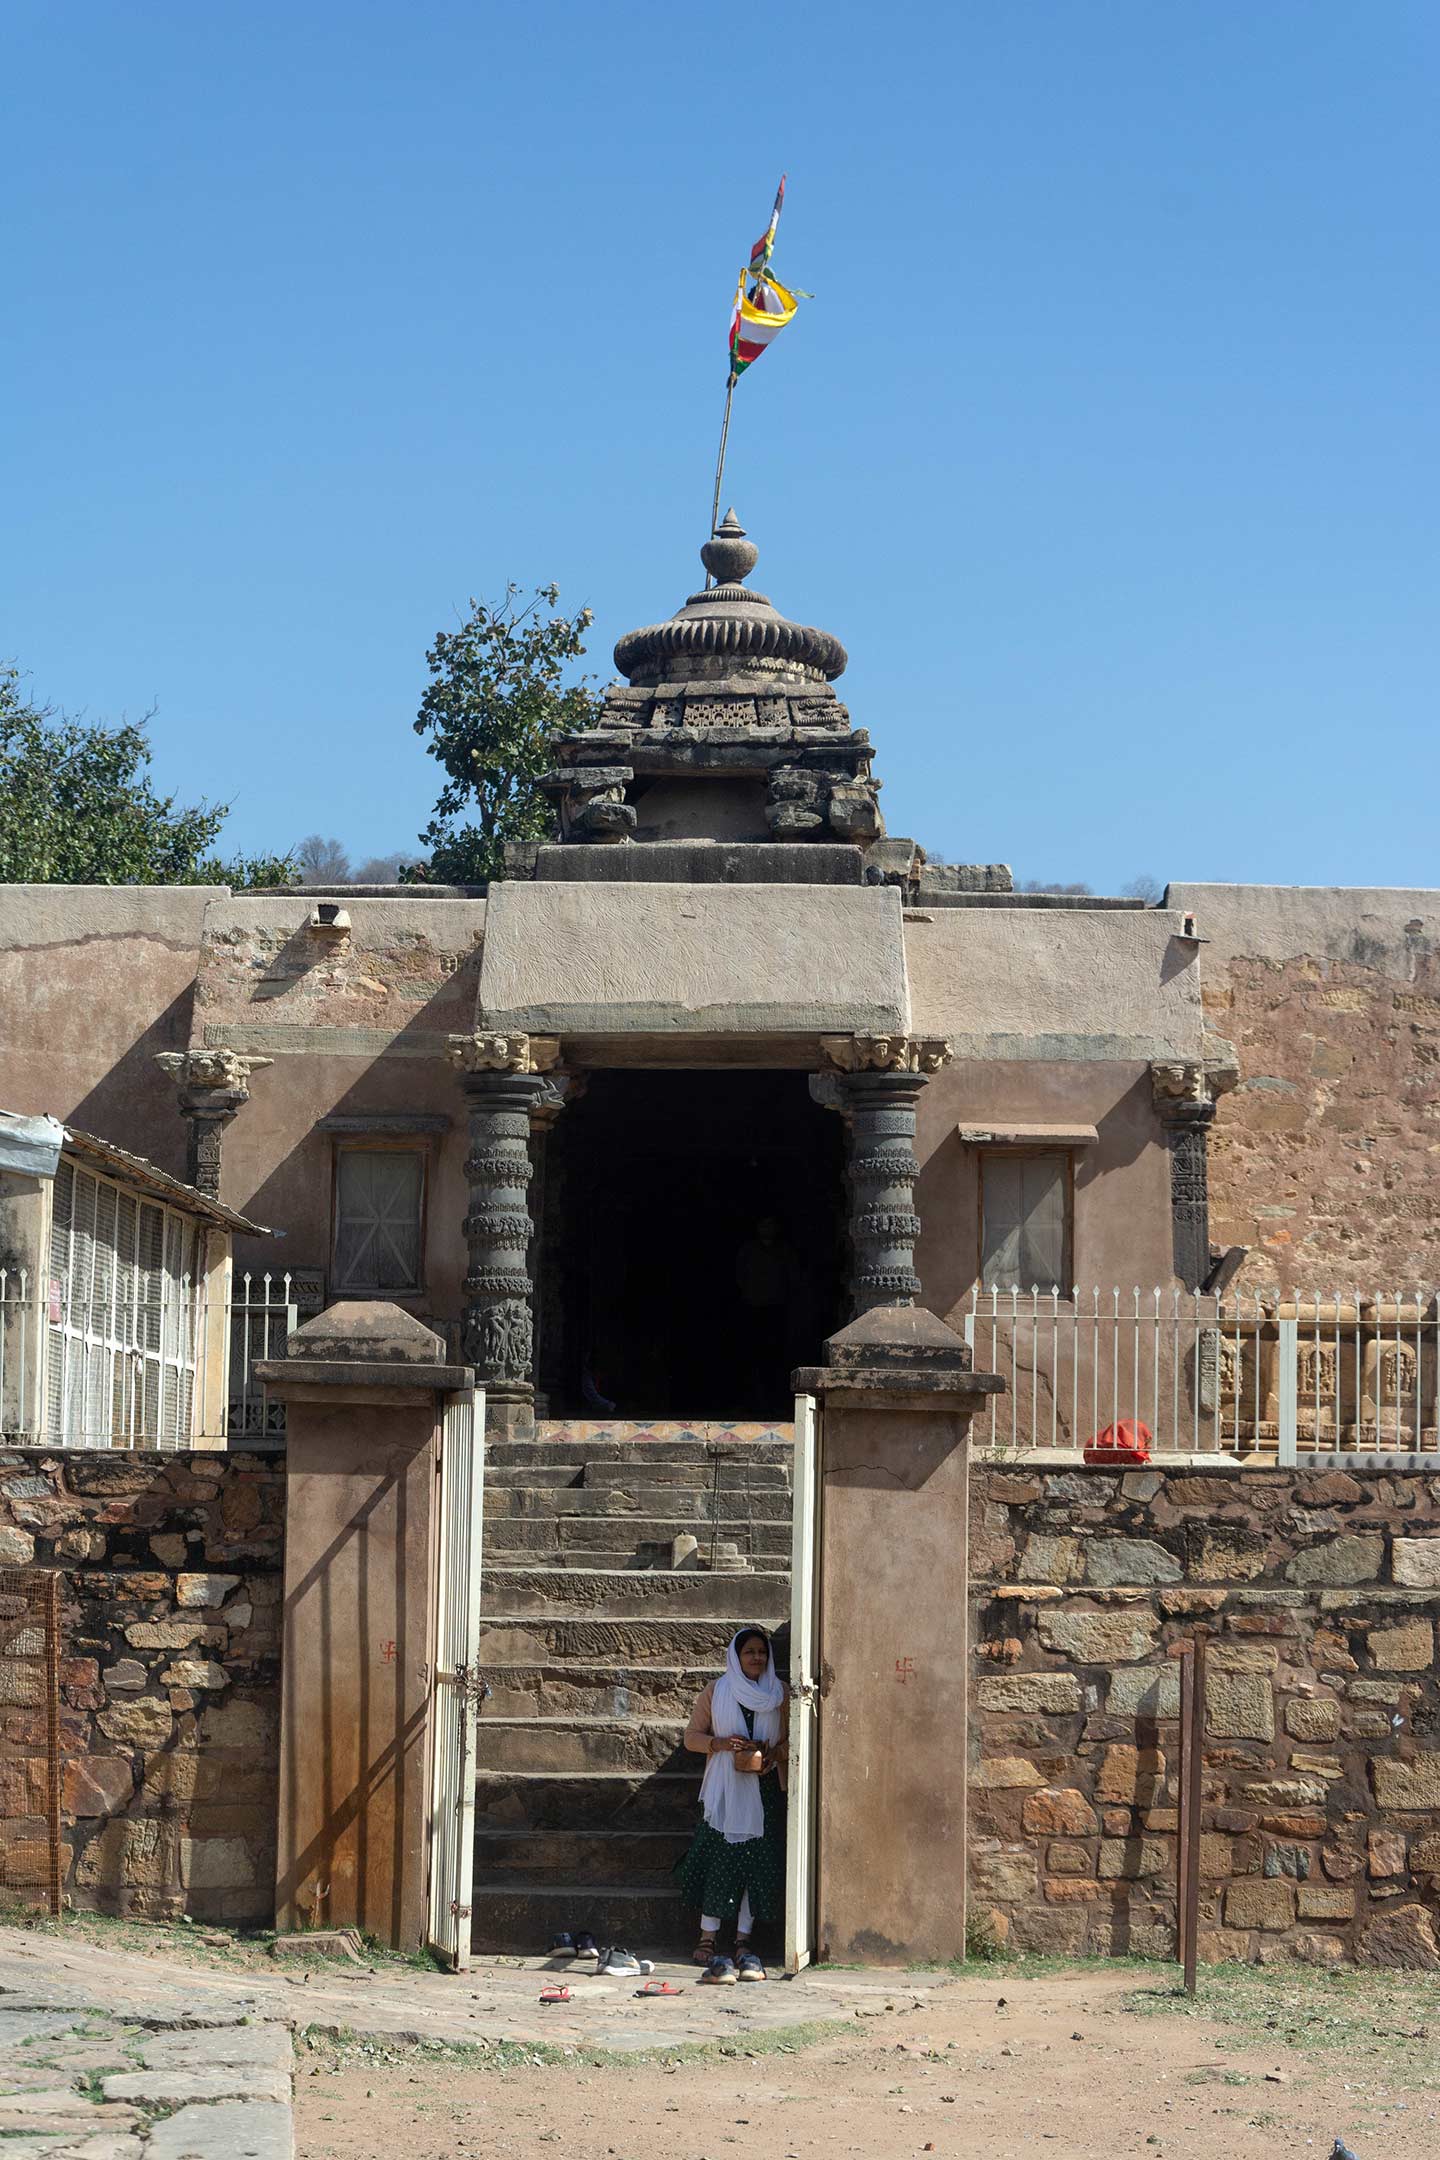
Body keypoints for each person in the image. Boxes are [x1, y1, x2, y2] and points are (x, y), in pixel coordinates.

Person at [676, 1625, 788, 1981]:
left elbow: (794, 1739)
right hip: (725, 1794)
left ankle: (743, 1941)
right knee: (720, 1862)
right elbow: (691, 1737)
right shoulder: (717, 1691)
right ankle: (707, 1938)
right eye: (749, 1652)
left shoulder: (780, 1694)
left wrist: (773, 1755)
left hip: (765, 1790)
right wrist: (720, 1745)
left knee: (755, 1866)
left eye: (762, 1652)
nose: (757, 1657)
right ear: (736, 1657)